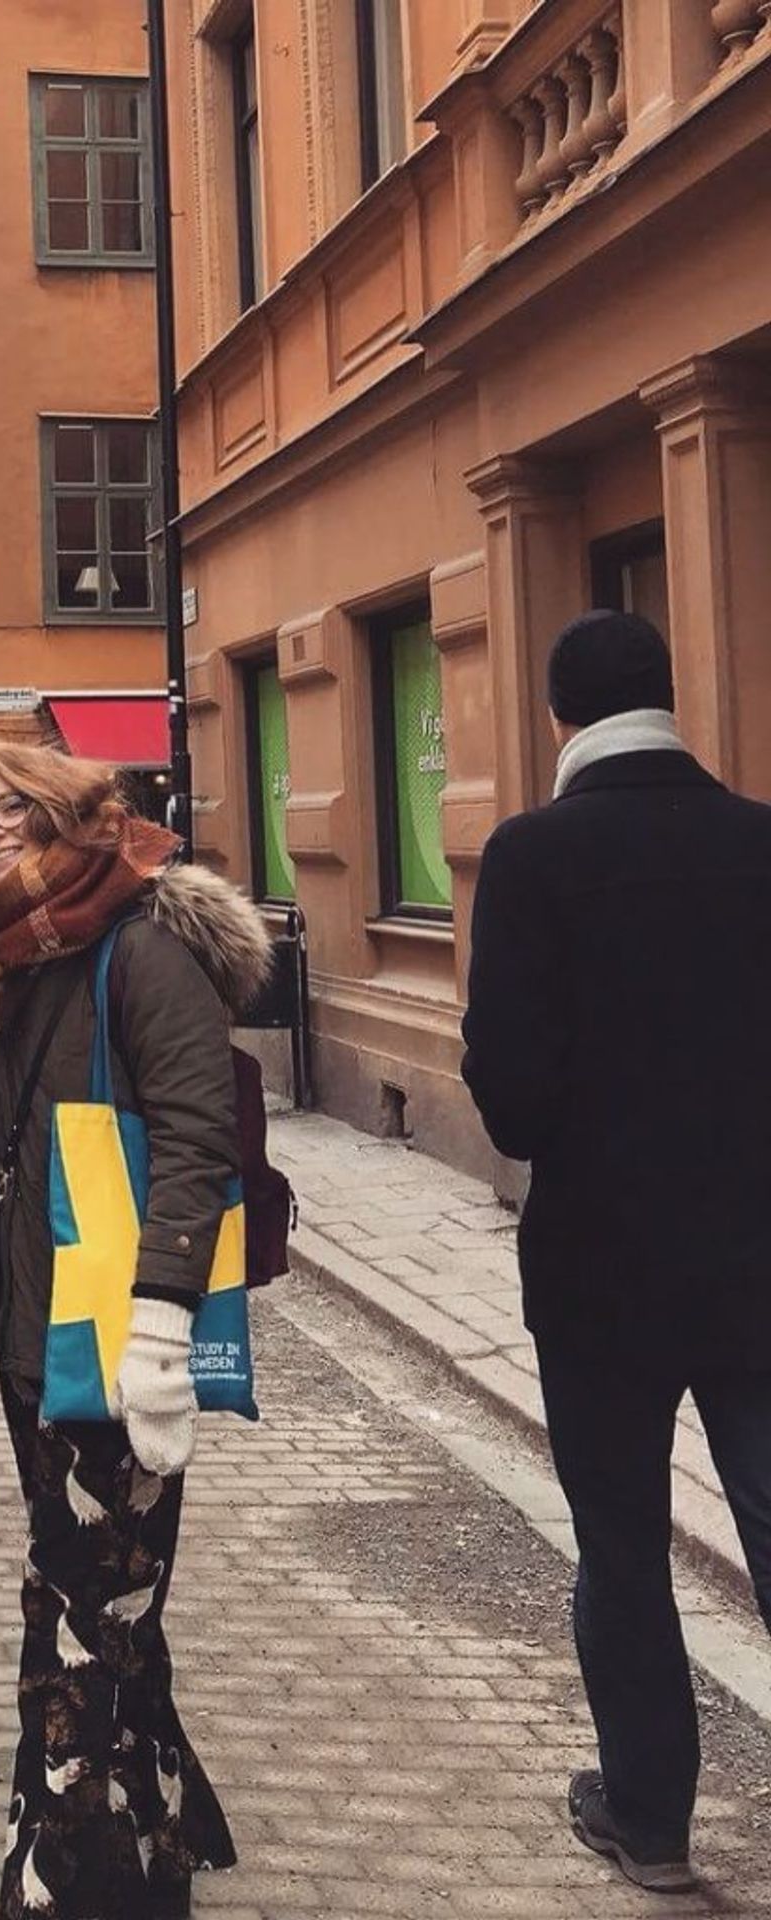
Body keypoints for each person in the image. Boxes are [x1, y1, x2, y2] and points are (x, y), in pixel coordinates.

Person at [462, 610, 771, 1895]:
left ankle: (648, 1820)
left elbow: (518, 1101)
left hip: (600, 1275)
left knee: (625, 1546)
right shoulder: (762, 843)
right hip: (761, 1257)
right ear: (671, 699)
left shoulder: (533, 858)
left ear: (558, 717)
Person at [0, 740, 268, 1918]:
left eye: (4, 812)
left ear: (63, 806)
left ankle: (67, 1876)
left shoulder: (140, 946)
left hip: (121, 1339)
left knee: (87, 1617)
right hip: (38, 1333)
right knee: (98, 1601)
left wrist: (163, 1323)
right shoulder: (17, 946)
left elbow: (200, 1142)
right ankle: (158, 1834)